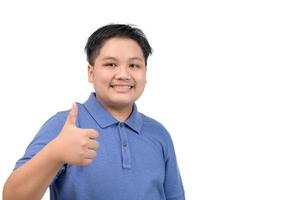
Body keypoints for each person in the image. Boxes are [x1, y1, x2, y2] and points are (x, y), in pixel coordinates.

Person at [3, 24, 185, 200]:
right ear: (91, 72)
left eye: (134, 65)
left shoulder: (159, 133)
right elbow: (12, 197)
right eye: (111, 64)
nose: (123, 74)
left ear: (145, 73)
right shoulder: (66, 126)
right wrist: (55, 152)